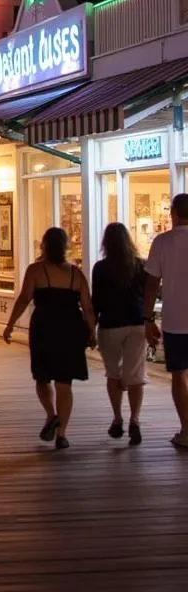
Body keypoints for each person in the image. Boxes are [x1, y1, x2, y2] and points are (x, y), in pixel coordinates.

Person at [4, 227, 96, 450]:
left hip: (44, 328)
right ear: (65, 247)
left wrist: (10, 325)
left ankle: (51, 414)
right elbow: (88, 308)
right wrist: (92, 332)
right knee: (65, 382)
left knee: (42, 377)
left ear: (44, 245)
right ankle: (62, 434)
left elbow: (24, 298)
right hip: (70, 330)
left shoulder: (36, 270)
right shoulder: (76, 273)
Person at [92, 222, 147, 446]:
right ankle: (135, 419)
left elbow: (96, 301)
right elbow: (148, 294)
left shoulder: (101, 268)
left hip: (110, 324)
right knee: (136, 375)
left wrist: (90, 328)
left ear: (106, 242)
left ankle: (117, 418)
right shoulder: (140, 266)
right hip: (137, 322)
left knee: (113, 374)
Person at [145, 192, 188, 449]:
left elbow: (151, 284)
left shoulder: (162, 242)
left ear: (173, 214)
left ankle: (186, 429)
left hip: (175, 321)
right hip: (175, 322)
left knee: (179, 376)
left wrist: (148, 318)